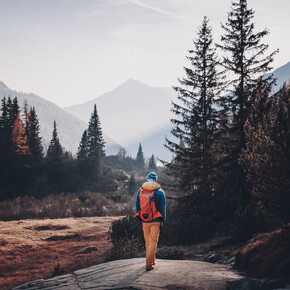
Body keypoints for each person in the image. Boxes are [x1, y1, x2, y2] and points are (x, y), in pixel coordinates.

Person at [135, 172, 166, 271]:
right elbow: (162, 207)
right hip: (156, 220)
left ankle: (152, 260)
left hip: (144, 220)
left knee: (148, 241)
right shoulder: (160, 192)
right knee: (153, 241)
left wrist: (140, 218)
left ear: (147, 179)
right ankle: (149, 264)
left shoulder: (140, 191)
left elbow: (137, 206)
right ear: (156, 179)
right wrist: (163, 220)